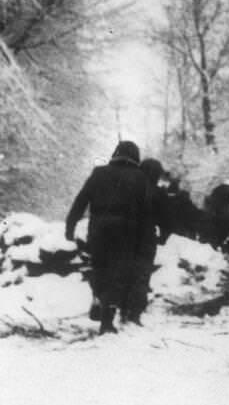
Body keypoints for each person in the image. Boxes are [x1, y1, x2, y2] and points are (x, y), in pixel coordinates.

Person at [65, 141, 151, 334]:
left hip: (99, 229)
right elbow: (147, 212)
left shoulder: (99, 173)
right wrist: (146, 239)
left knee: (100, 268)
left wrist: (70, 225)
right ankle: (107, 318)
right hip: (127, 232)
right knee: (118, 273)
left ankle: (98, 298)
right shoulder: (140, 177)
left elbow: (81, 200)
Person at [121, 157, 172, 325]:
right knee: (142, 275)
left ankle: (122, 307)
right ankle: (135, 313)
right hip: (147, 240)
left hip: (127, 237)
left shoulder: (127, 189)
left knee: (126, 272)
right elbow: (166, 219)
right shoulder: (158, 194)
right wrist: (163, 237)